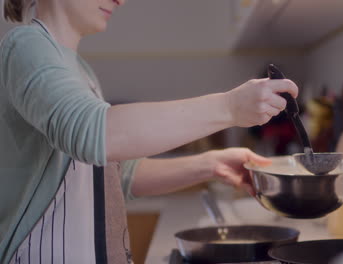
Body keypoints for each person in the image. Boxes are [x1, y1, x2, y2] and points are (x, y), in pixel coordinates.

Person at [0, 0, 299, 263]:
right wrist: (229, 108)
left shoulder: (81, 72)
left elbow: (117, 176)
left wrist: (212, 164)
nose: (122, 0)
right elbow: (92, 133)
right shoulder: (26, 45)